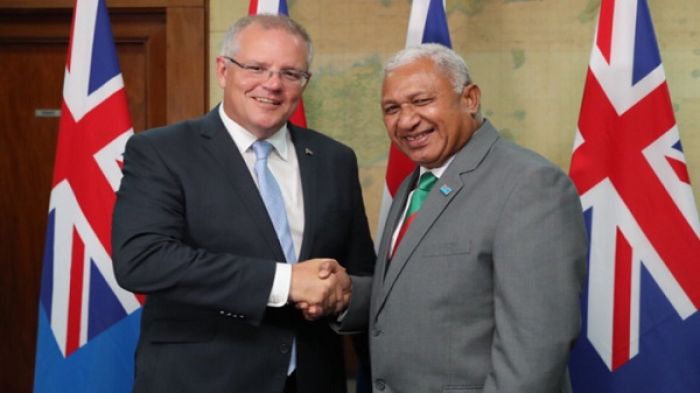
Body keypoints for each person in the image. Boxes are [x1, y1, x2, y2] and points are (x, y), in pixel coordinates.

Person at [112, 14, 375, 393]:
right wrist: (286, 283)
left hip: (314, 381)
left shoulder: (335, 159)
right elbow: (142, 260)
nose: (272, 84)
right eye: (256, 67)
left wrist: (340, 295)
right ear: (223, 70)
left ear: (305, 83)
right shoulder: (162, 152)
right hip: (201, 380)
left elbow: (361, 272)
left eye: (290, 73)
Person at [334, 43, 588, 393]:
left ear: (470, 99)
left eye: (422, 101)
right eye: (391, 108)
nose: (406, 121)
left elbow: (536, 349)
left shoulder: (530, 185)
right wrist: (347, 295)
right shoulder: (417, 181)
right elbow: (438, 293)